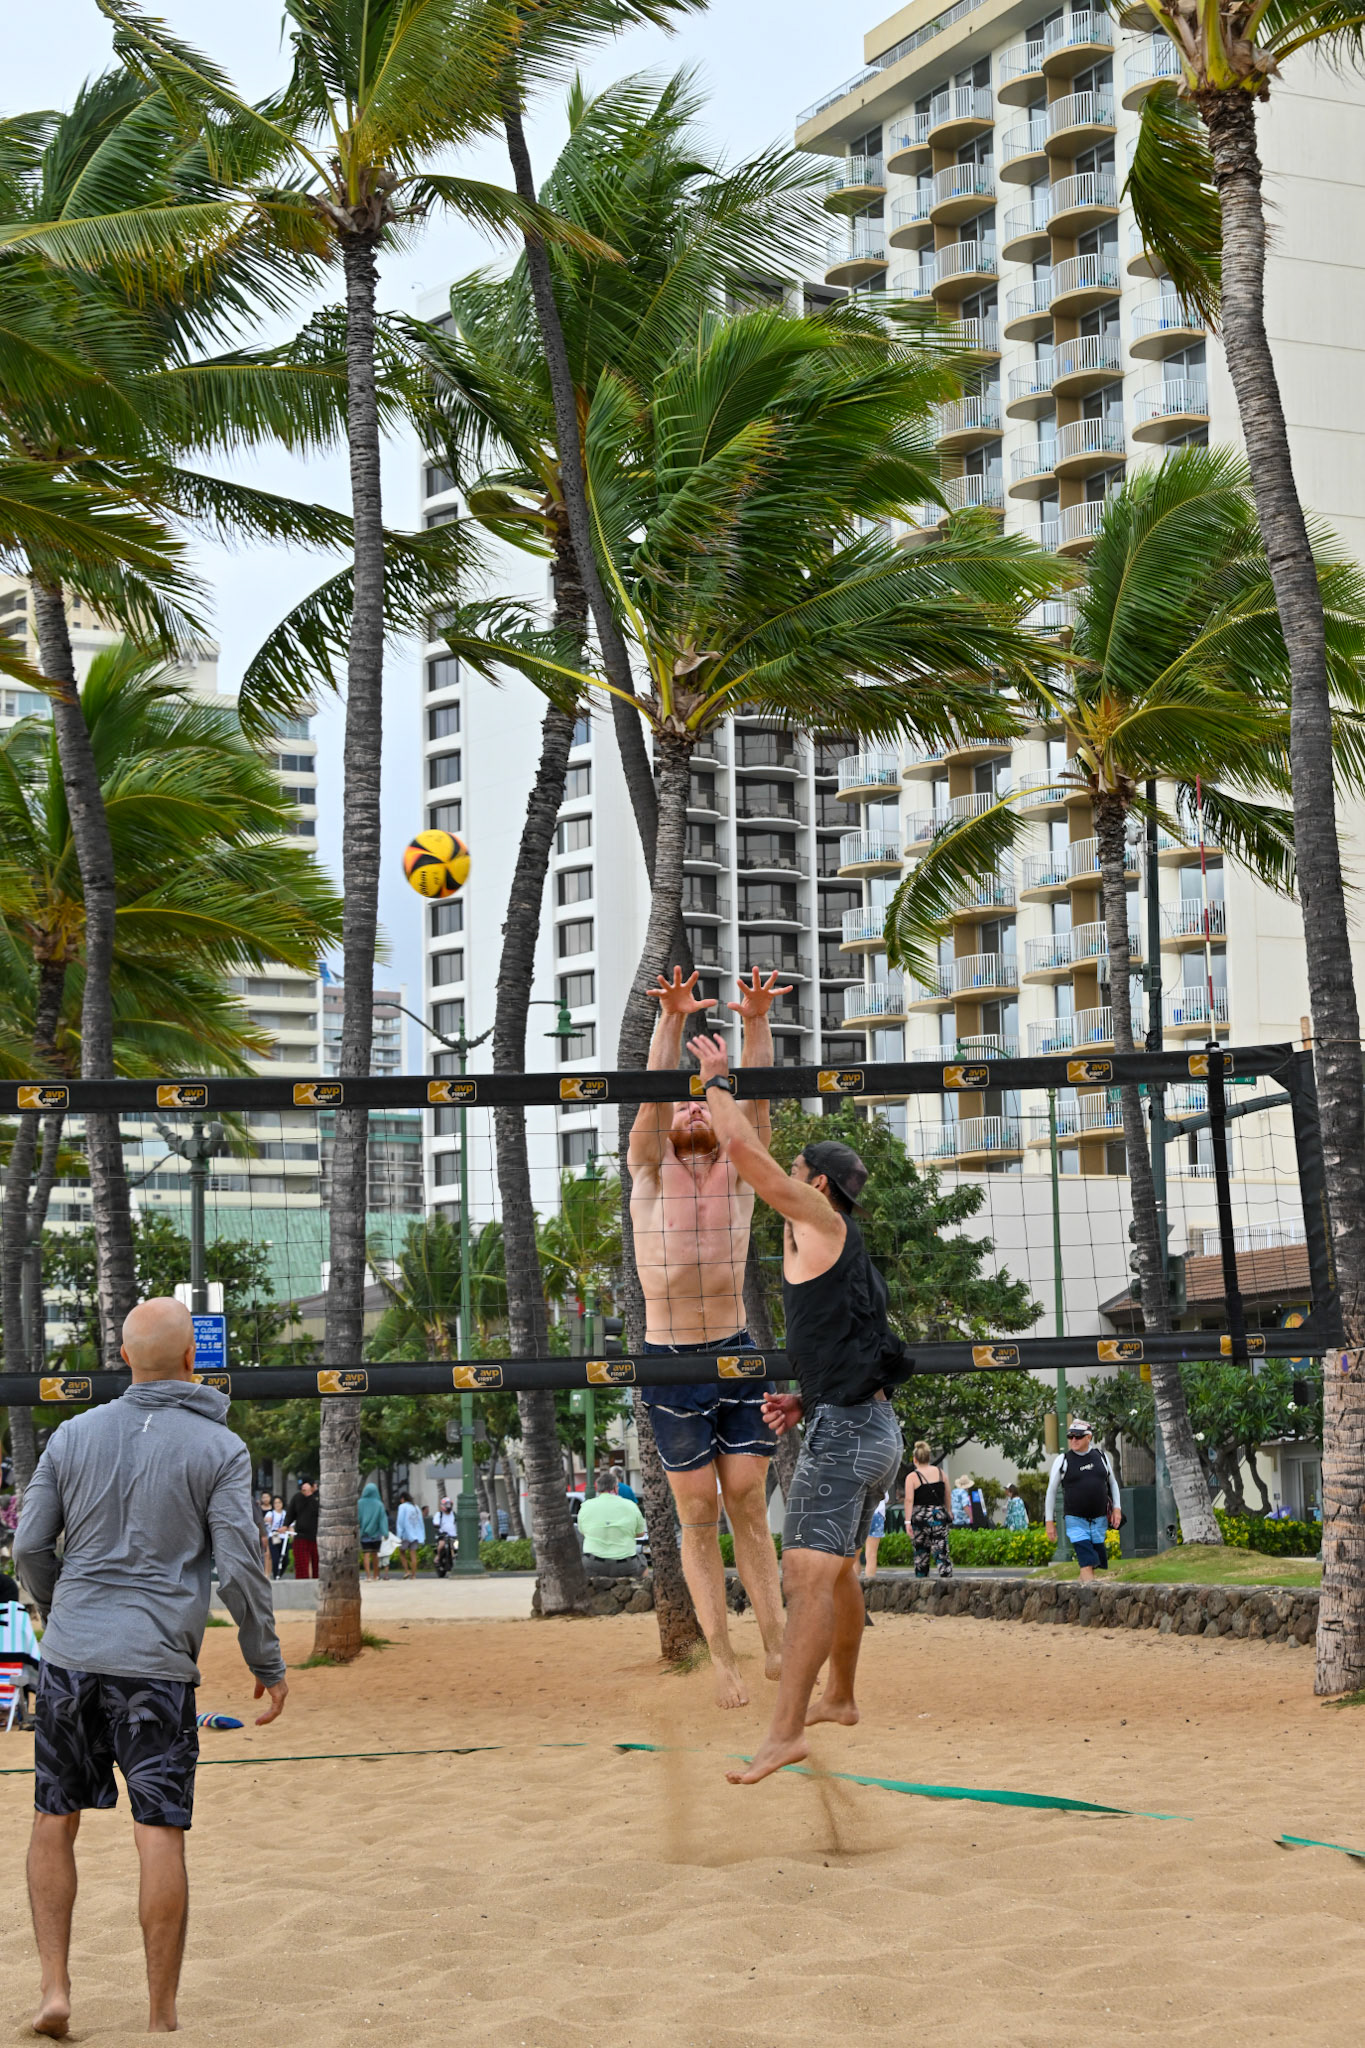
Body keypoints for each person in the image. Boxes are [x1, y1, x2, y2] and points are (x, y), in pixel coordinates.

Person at [13, 1296, 287, 2039]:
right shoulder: (217, 1449)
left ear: (124, 1358)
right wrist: (265, 1657)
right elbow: (239, 1567)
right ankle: (161, 2016)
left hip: (72, 1656)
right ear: (193, 1362)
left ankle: (54, 1990)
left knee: (52, 1819)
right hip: (155, 1666)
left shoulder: (71, 1434)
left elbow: (29, 1547)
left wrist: (52, 1611)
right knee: (158, 1829)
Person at [686, 1033, 908, 1784]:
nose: (788, 1176)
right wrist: (804, 1397)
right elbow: (856, 1342)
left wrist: (715, 1080)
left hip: (847, 1438)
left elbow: (747, 1154)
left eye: (799, 1172)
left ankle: (783, 1732)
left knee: (805, 1580)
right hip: (865, 1427)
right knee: (838, 1573)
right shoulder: (834, 1242)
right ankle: (839, 1696)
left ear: (815, 1182)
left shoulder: (816, 1220)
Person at [627, 967, 791, 1709]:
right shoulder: (650, 1172)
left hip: (735, 1349)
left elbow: (753, 1108)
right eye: (683, 1106)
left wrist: (755, 1022)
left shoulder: (738, 1171)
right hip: (669, 1361)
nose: (693, 1110)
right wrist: (668, 1023)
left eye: (703, 1103)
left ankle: (776, 1637)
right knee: (696, 1514)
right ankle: (720, 1657)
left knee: (749, 1500)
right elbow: (650, 1099)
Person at [1045, 1420, 1122, 1582]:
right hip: (1075, 1520)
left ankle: (1075, 1595)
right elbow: (1051, 1491)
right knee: (1087, 1561)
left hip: (1099, 1519)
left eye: (1078, 1437)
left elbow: (1113, 1483)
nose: (1073, 1440)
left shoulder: (1101, 1457)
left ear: (1089, 1437)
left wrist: (1117, 1508)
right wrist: (1049, 1521)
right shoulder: (1063, 1460)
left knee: (1093, 1563)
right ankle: (1093, 1599)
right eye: (1070, 1437)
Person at [576, 1471, 647, 1578]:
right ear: (614, 1488)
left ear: (598, 1488)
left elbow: (583, 1531)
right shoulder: (631, 1505)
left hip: (593, 1563)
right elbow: (641, 1533)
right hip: (626, 1564)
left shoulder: (585, 1506)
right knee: (643, 1563)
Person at [904, 1441, 953, 1580]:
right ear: (928, 1457)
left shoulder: (912, 1477)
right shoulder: (940, 1473)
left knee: (921, 1554)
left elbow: (909, 1500)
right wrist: (948, 1511)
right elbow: (947, 1494)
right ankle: (947, 1583)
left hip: (919, 1518)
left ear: (915, 1459)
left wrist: (907, 1521)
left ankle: (921, 1583)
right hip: (938, 1516)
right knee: (941, 1551)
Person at [287, 1478, 320, 1580]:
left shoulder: (317, 1498)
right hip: (300, 1536)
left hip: (316, 1537)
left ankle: (317, 1585)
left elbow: (318, 1510)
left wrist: (310, 1496)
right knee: (302, 1566)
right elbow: (290, 1513)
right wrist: (285, 1525)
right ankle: (302, 1585)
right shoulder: (297, 1497)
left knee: (317, 1566)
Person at [357, 1482, 388, 1579]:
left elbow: (358, 1518)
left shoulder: (360, 1503)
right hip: (376, 1534)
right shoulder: (379, 1504)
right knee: (375, 1554)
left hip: (364, 1533)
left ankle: (368, 1576)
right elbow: (382, 1520)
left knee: (366, 1554)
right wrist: (385, 1532)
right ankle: (375, 1575)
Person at [394, 1492, 425, 1580]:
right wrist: (421, 1534)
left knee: (401, 1551)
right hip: (416, 1534)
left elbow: (400, 1521)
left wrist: (399, 1535)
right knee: (413, 1554)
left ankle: (407, 1571)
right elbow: (420, 1522)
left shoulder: (402, 1507)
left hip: (406, 1534)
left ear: (403, 1499)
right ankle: (414, 1575)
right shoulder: (416, 1507)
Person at [859, 1494, 888, 1584]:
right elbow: (885, 1498)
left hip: (857, 1513)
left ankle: (855, 1585)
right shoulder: (881, 1479)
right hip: (876, 1513)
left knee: (854, 1554)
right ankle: (869, 1584)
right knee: (871, 1555)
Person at [266, 1495, 289, 1580]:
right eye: (275, 1503)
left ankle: (279, 1574)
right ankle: (276, 1576)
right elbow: (267, 1519)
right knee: (275, 1558)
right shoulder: (271, 1513)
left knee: (285, 1559)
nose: (277, 1504)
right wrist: (268, 1520)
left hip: (284, 1537)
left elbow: (290, 1525)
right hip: (274, 1536)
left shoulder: (285, 1513)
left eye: (279, 1502)